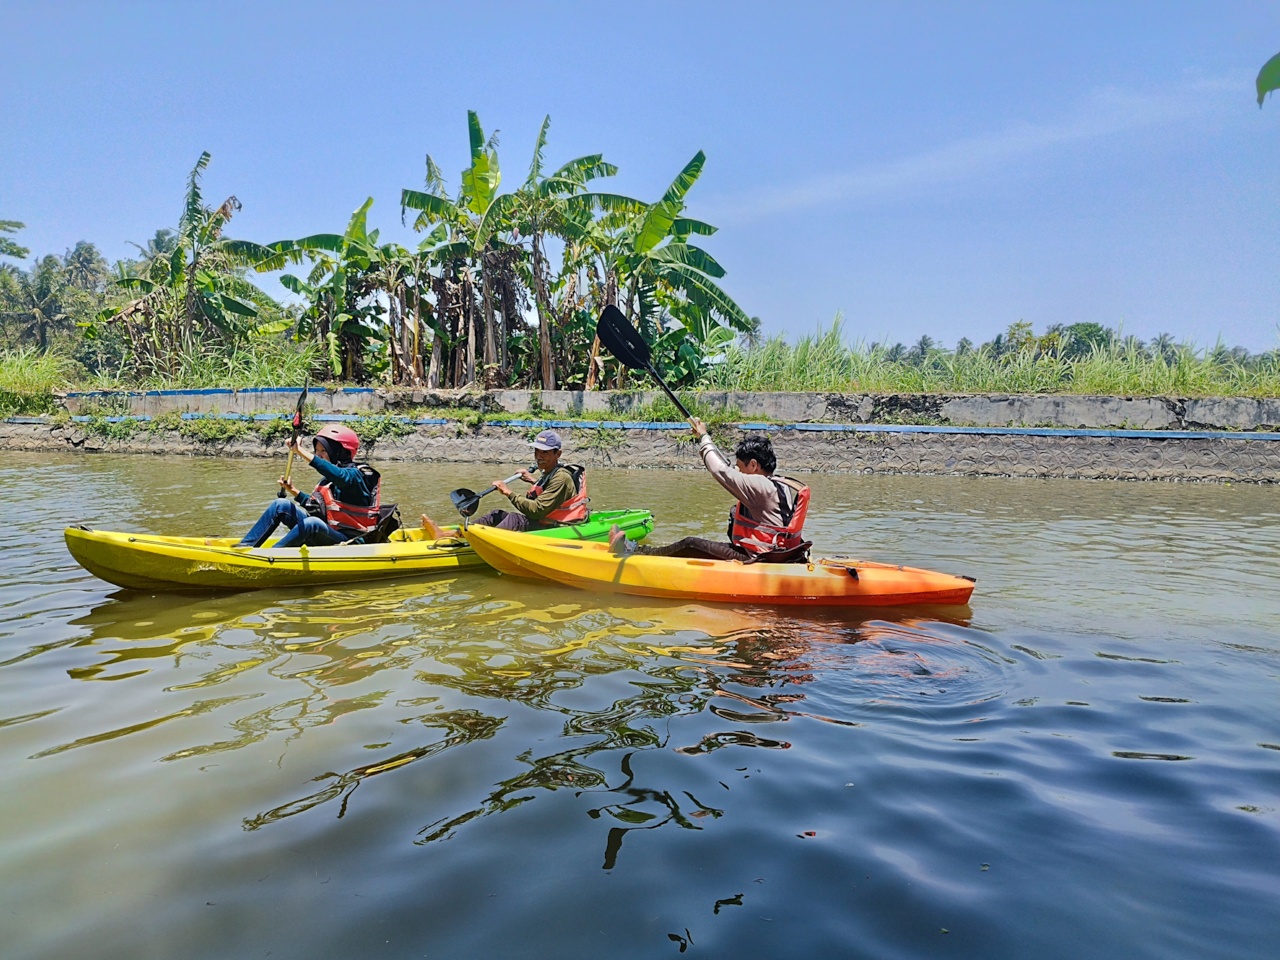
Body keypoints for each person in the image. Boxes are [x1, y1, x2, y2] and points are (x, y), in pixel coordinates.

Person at [609, 419, 810, 563]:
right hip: (777, 553)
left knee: (691, 544)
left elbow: (719, 470)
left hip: (759, 559)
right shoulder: (780, 483)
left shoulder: (759, 484)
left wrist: (704, 437)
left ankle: (635, 552)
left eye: (741, 468)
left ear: (754, 465)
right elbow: (727, 469)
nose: (739, 472)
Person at [235, 424, 383, 548]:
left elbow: (340, 476)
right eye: (317, 450)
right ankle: (245, 548)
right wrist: (293, 491)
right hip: (329, 533)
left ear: (341, 451)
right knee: (281, 505)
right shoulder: (329, 480)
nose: (319, 455)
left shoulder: (357, 475)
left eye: (324, 450)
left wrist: (300, 451)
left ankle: (272, 556)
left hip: (351, 542)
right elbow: (316, 508)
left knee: (312, 523)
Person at [420, 429, 587, 536]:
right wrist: (531, 480)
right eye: (536, 451)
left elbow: (537, 510)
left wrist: (508, 492)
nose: (538, 456)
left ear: (558, 454)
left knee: (514, 519)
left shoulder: (561, 477)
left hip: (555, 528)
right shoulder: (549, 473)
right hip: (544, 520)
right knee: (496, 514)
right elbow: (549, 492)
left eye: (544, 452)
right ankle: (456, 534)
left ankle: (484, 542)